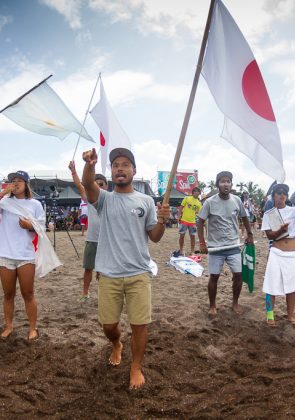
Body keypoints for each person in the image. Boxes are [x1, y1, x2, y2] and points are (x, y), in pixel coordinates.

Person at [81, 147, 170, 390]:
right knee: (109, 325)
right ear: (110, 172)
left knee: (139, 324)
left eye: (125, 164)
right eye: (115, 165)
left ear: (134, 171)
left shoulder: (146, 201)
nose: (120, 168)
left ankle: (136, 367)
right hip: (109, 274)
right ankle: (117, 344)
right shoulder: (104, 199)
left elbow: (155, 237)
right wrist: (89, 164)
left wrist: (162, 219)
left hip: (139, 273)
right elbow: (88, 184)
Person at [0, 170, 44, 341]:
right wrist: (3, 192)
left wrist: (29, 226)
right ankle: (9, 325)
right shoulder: (4, 202)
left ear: (26, 184)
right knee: (8, 294)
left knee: (28, 293)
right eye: (12, 181)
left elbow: (43, 228)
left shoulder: (34, 204)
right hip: (6, 254)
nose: (15, 183)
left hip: (26, 255)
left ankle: (33, 328)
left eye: (19, 180)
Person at [197, 171, 254, 317]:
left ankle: (235, 303)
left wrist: (250, 234)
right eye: (222, 181)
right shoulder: (209, 202)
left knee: (238, 275)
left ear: (231, 184)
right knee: (214, 277)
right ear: (217, 185)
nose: (226, 184)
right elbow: (200, 221)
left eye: (228, 181)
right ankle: (212, 305)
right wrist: (202, 243)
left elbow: (245, 217)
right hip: (216, 247)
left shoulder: (237, 200)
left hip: (233, 246)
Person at [261, 184, 295, 326]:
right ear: (273, 196)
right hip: (276, 252)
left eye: (284, 193)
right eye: (278, 192)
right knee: (271, 285)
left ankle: (290, 315)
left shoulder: (294, 210)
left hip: (293, 254)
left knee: (292, 286)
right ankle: (270, 315)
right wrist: (280, 230)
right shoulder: (269, 214)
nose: (282, 195)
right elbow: (270, 235)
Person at [69, 160, 108, 301]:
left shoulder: (111, 198)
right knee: (88, 269)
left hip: (107, 241)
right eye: (95, 182)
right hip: (92, 239)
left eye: (101, 183)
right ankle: (85, 293)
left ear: (107, 186)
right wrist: (73, 171)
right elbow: (80, 185)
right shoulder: (89, 198)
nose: (98, 185)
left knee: (105, 270)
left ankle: (104, 292)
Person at [177, 187, 202, 256]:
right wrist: (178, 216)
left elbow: (200, 213)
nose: (197, 193)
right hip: (184, 220)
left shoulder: (199, 203)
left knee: (193, 237)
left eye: (198, 192)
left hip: (192, 222)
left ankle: (192, 251)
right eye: (196, 191)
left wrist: (201, 221)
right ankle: (181, 250)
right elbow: (181, 207)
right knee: (182, 236)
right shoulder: (187, 198)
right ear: (193, 192)